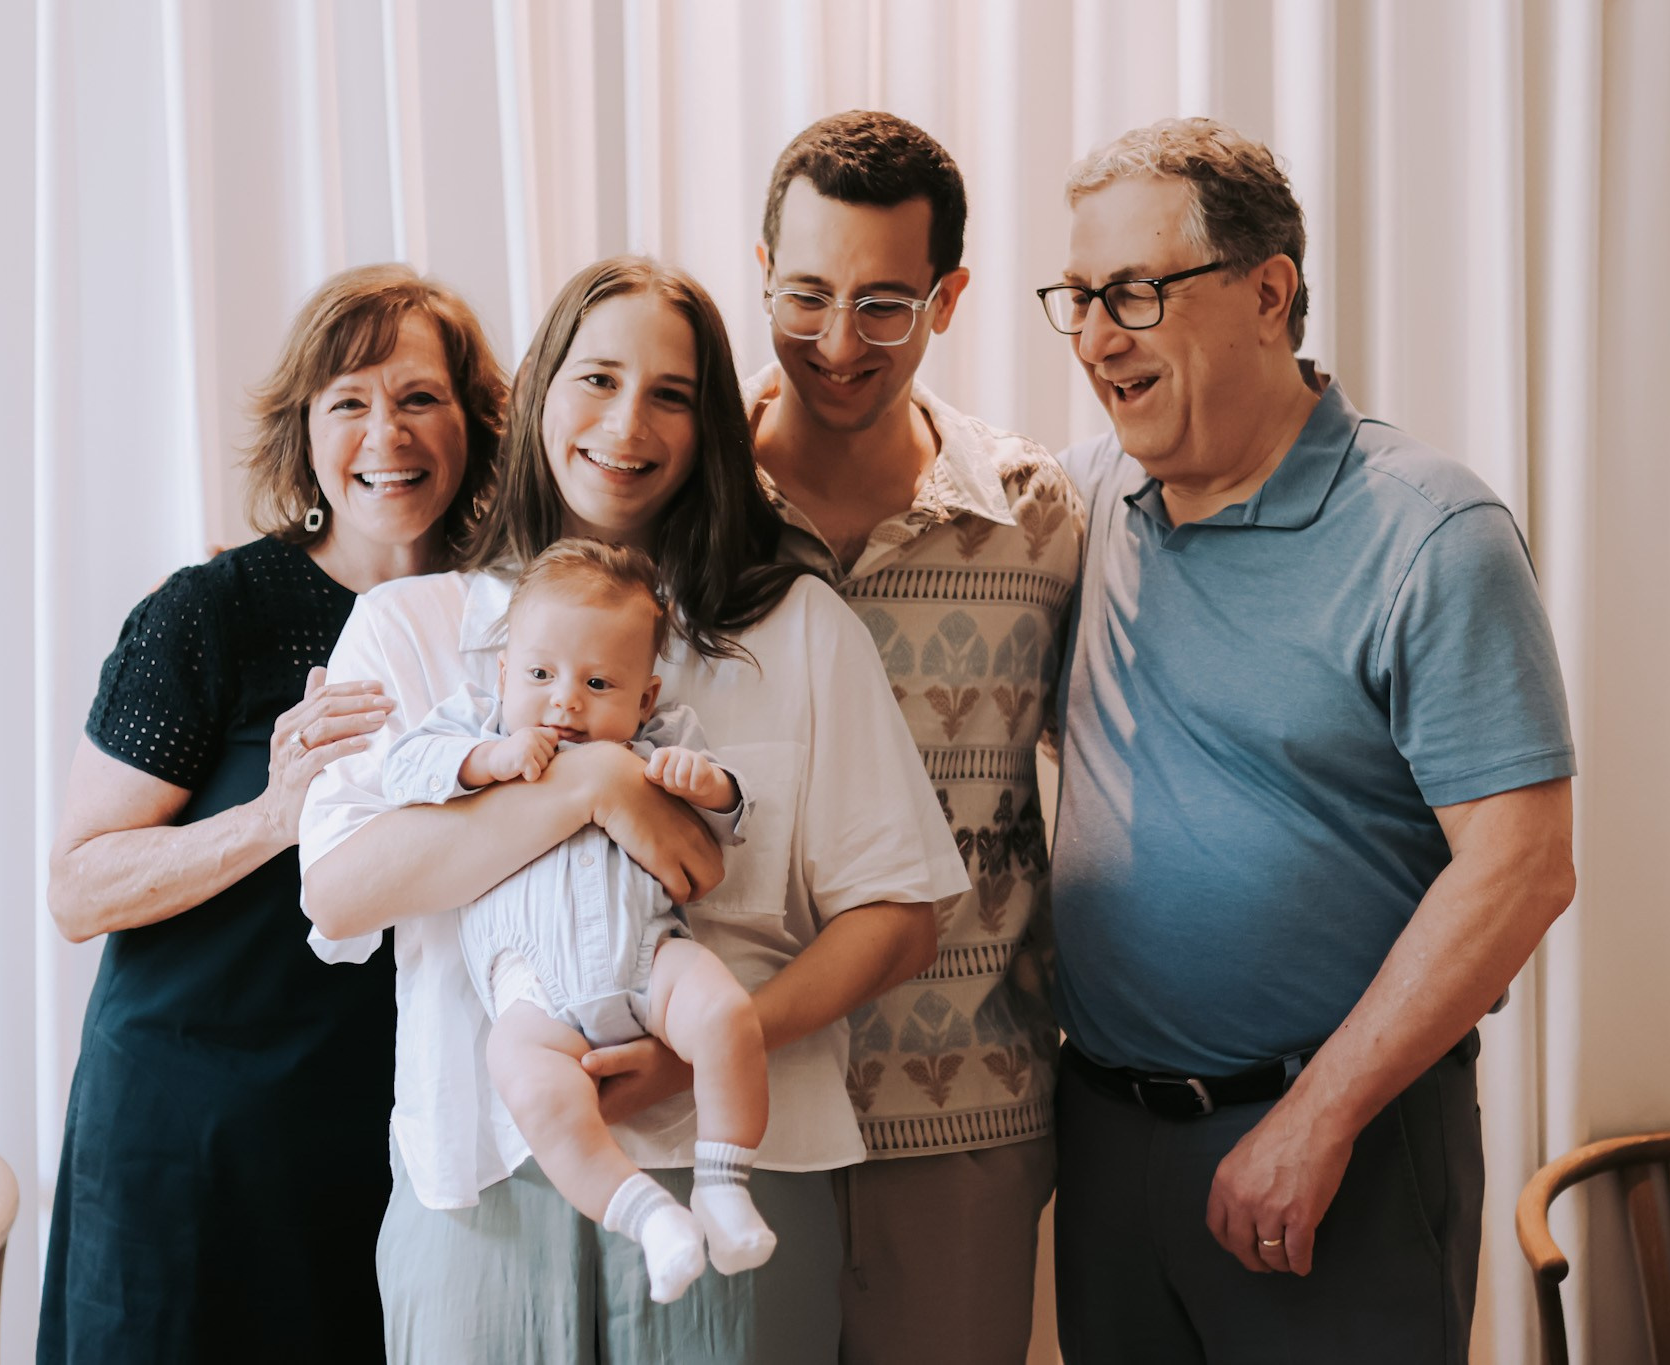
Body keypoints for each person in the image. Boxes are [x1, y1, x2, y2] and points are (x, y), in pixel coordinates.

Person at [299, 255, 967, 1364]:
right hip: (482, 1182)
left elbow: (898, 918)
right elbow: (343, 886)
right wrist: (598, 785)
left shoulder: (798, 631)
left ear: (708, 425)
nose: (626, 422)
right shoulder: (404, 628)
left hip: (739, 1176)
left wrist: (711, 1046)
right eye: (596, 378)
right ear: (538, 397)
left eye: (669, 394)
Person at [1041, 117, 1578, 1362]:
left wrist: (1315, 1120)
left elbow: (1521, 865)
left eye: (1131, 291)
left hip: (1337, 1149)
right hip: (1108, 1147)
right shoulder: (1079, 506)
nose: (1094, 336)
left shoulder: (1429, 533)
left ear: (1268, 291)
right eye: (1074, 298)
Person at [38, 265, 507, 1362]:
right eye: (347, 400)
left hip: (391, 1129)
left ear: (476, 424)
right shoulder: (212, 613)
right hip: (187, 1133)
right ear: (304, 433)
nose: (384, 431)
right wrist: (271, 816)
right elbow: (75, 889)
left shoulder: (507, 619)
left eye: (418, 397)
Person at [747, 109, 1083, 1364]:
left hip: (963, 1111)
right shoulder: (683, 496)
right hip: (729, 1110)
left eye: (884, 304)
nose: (837, 344)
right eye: (806, 295)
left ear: (947, 299)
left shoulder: (1037, 513)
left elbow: (1119, 777)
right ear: (761, 274)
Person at [379, 538, 776, 1303]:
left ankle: (723, 1184)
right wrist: (485, 762)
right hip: (528, 988)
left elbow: (733, 820)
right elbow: (403, 770)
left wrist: (711, 784)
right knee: (532, 1092)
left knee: (727, 1015)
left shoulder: (660, 742)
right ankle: (650, 1216)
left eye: (599, 682)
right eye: (538, 675)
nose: (564, 700)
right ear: (502, 674)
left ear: (645, 700)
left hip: (649, 958)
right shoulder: (476, 725)